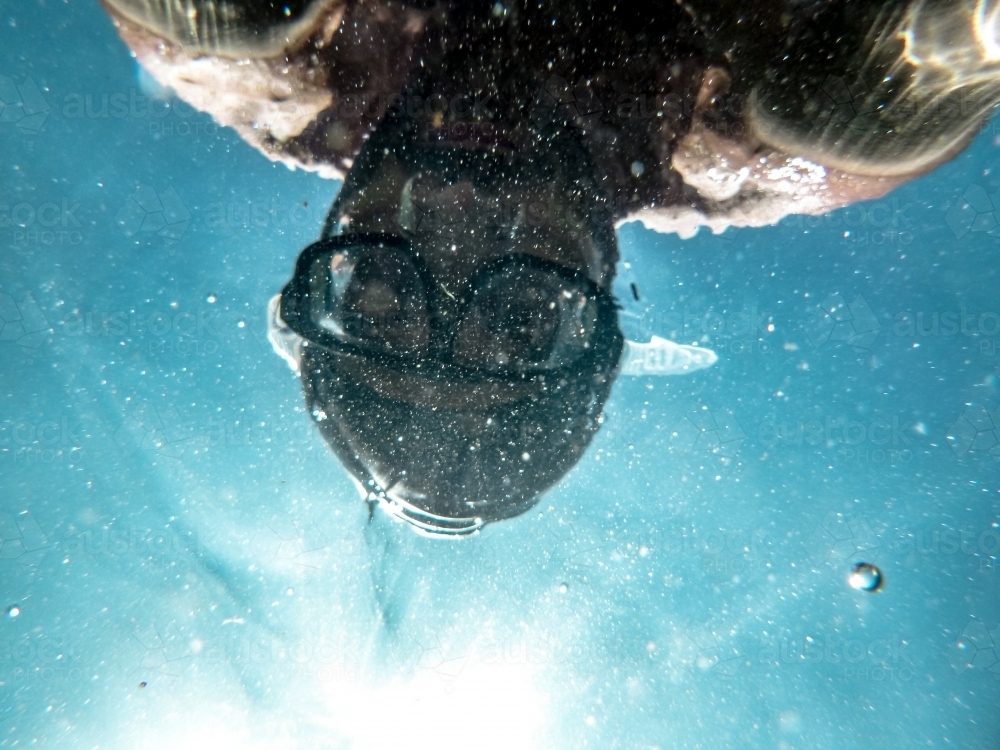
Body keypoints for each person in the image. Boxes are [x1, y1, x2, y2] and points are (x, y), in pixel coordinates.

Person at [101, 0, 1000, 533]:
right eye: (525, 315)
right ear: (601, 313)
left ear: (318, 275)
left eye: (376, 297)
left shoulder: (268, 63)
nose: (459, 215)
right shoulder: (761, 142)